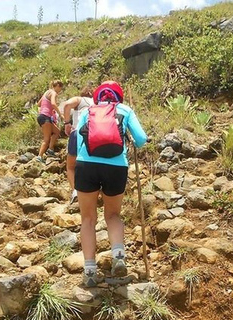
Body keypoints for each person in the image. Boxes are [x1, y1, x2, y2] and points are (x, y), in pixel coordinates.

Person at [75, 81, 147, 287]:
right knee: (113, 215)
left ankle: (89, 271)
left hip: (86, 164)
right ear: (119, 96)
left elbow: (78, 138)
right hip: (116, 167)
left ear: (99, 96)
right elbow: (142, 139)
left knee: (88, 219)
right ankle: (119, 258)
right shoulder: (125, 109)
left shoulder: (88, 110)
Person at [62, 85, 94, 204]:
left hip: (78, 134)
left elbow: (66, 105)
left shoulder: (80, 100)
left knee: (71, 166)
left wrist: (66, 123)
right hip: (94, 136)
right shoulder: (99, 103)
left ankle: (76, 191)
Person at [36, 80, 64, 163]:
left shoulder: (46, 92)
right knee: (46, 138)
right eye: (60, 88)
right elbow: (53, 104)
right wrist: (60, 114)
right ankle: (39, 156)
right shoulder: (53, 93)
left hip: (42, 116)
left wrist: (41, 112)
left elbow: (38, 104)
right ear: (58, 86)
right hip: (45, 117)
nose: (60, 90)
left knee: (56, 131)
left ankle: (50, 150)